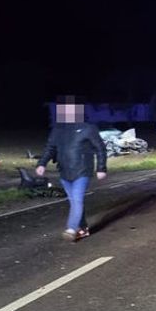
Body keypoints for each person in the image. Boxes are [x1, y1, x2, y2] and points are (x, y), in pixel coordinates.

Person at [37, 97, 107, 241]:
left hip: (82, 170)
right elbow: (50, 148)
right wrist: (42, 164)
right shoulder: (58, 130)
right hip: (64, 171)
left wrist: (101, 168)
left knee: (77, 199)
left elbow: (100, 149)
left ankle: (71, 228)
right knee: (73, 201)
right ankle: (83, 228)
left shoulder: (88, 128)